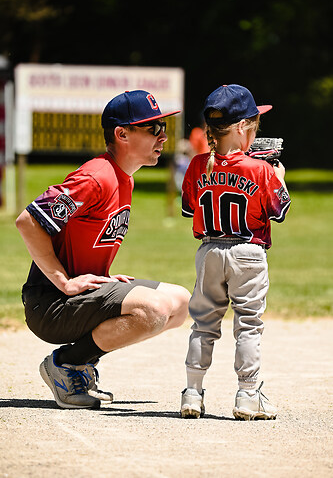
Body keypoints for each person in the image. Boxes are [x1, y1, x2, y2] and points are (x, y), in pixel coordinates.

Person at [16, 89, 191, 410]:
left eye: (162, 128)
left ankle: (80, 362)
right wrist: (64, 282)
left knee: (179, 304)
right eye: (153, 128)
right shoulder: (96, 177)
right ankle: (67, 364)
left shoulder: (124, 178)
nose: (163, 136)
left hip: (75, 297)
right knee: (151, 309)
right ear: (122, 134)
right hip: (51, 304)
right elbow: (28, 221)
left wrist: (104, 279)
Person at [180, 84, 291, 420]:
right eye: (254, 125)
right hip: (248, 252)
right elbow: (279, 211)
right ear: (243, 128)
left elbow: (189, 209)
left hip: (209, 251)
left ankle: (192, 393)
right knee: (248, 325)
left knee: (203, 325)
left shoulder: (198, 164)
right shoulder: (261, 169)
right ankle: (247, 393)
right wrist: (278, 177)